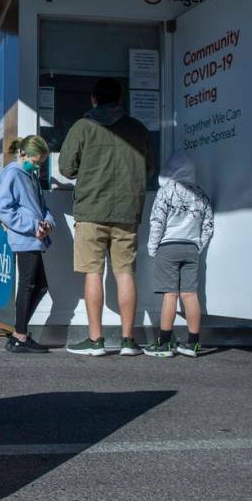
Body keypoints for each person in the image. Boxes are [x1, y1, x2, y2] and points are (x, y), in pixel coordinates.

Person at [58, 77, 154, 356]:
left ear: (93, 99)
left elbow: (65, 167)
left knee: (93, 273)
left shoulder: (83, 127)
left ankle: (96, 340)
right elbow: (149, 168)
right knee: (125, 273)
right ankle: (128, 340)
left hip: (91, 210)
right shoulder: (137, 129)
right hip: (127, 210)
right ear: (120, 99)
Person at [143, 151, 214, 358]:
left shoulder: (166, 191)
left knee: (170, 295)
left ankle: (164, 343)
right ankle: (192, 343)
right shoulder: (201, 194)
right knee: (190, 295)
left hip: (168, 247)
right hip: (191, 248)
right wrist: (198, 246)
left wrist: (153, 248)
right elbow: (208, 225)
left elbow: (157, 221)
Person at [0, 135, 55, 353]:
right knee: (29, 285)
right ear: (23, 154)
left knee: (39, 286)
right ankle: (20, 335)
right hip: (25, 238)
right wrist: (32, 225)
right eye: (35, 161)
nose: (37, 165)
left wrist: (48, 223)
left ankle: (19, 333)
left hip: (35, 237)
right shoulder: (14, 173)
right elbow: (2, 208)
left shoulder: (30, 175)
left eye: (40, 162)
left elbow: (42, 207)